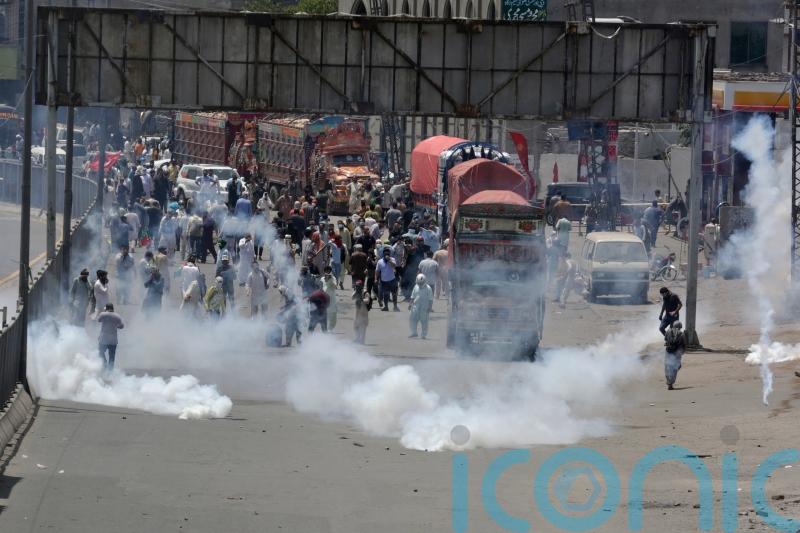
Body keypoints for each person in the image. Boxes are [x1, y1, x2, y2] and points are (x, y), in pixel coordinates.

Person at [96, 303, 124, 372]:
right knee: (112, 357)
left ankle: (104, 364)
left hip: (104, 339)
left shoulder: (103, 314)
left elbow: (99, 320)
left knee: (100, 352)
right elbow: (122, 326)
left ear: (106, 308)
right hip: (113, 340)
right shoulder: (117, 316)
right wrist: (115, 326)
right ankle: (110, 372)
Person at [409, 273, 433, 339]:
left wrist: (430, 307)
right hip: (415, 306)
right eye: (419, 283)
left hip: (424, 307)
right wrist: (410, 304)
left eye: (421, 283)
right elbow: (412, 296)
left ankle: (423, 335)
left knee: (424, 321)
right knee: (412, 320)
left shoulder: (428, 288)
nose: (420, 284)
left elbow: (430, 299)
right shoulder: (416, 286)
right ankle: (414, 332)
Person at [375, 247, 399, 311]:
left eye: (388, 253)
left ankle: (395, 307)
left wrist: (389, 260)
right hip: (384, 281)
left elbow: (394, 266)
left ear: (389, 254)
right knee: (386, 294)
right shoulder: (380, 261)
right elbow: (377, 271)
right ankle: (386, 307)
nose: (386, 254)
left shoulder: (392, 259)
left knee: (394, 294)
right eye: (385, 253)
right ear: (383, 254)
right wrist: (376, 279)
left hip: (392, 280)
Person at [664, 321, 686, 390]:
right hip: (677, 353)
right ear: (680, 327)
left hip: (668, 352)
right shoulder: (681, 334)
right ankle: (671, 383)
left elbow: (666, 339)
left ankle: (669, 383)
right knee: (675, 368)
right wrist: (682, 352)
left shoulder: (668, 331)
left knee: (667, 367)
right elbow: (684, 344)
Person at [352, 279, 372, 344]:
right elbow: (352, 297)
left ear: (361, 286)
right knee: (356, 326)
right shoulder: (356, 292)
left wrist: (361, 300)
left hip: (364, 312)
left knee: (363, 327)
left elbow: (367, 300)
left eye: (358, 286)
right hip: (357, 313)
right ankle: (357, 338)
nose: (357, 287)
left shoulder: (365, 293)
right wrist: (356, 292)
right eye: (356, 286)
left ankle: (362, 340)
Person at [322, 266, 338, 331]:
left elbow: (335, 286)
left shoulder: (333, 278)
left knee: (333, 315)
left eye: (328, 271)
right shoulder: (322, 278)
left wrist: (330, 280)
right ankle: (325, 330)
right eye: (326, 271)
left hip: (332, 299)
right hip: (324, 299)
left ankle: (330, 328)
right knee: (325, 315)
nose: (327, 273)